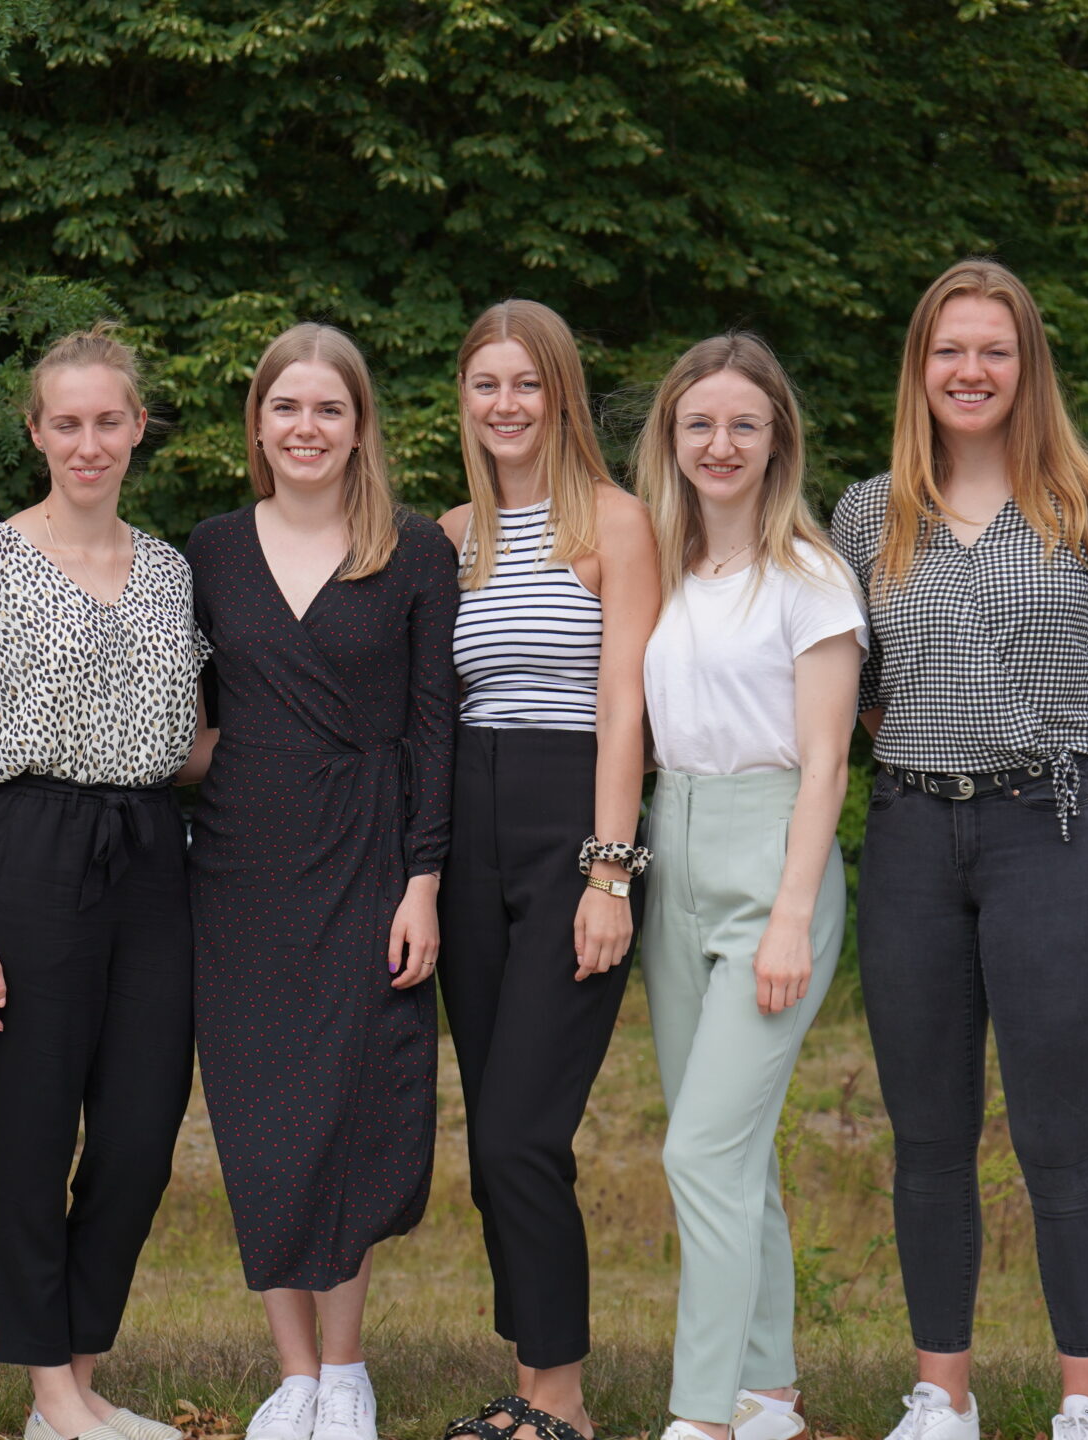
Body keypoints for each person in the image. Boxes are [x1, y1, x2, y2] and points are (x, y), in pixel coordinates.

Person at [830, 259, 1088, 1440]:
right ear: (918, 370)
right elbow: (857, 691)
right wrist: (943, 774)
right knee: (927, 1135)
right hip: (914, 838)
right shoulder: (868, 513)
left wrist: (1066, 795)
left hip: (1057, 835)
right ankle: (941, 1395)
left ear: (1025, 366)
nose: (968, 371)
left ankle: (1085, 1403)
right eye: (947, 351)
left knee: (1057, 1139)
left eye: (992, 351)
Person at [0, 323, 210, 1440]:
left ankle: (81, 1378)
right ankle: (47, 1382)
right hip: (28, 850)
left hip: (151, 853)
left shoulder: (172, 570)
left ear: (137, 427)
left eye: (108, 422)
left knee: (141, 1135)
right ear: (35, 431)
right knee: (33, 1133)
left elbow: (188, 743)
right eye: (66, 423)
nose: (87, 443)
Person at [186, 322, 458, 1440]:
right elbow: (183, 720)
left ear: (359, 429)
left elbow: (436, 728)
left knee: (349, 1107)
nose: (306, 428)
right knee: (259, 1118)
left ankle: (346, 1372)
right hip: (240, 865)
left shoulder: (411, 548)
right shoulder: (204, 552)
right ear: (257, 423)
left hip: (368, 854)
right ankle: (291, 1373)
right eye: (286, 408)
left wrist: (423, 880)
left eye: (328, 410)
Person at [431, 300, 658, 1440]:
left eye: (526, 384)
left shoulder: (617, 524)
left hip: (571, 823)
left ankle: (560, 1402)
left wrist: (608, 872)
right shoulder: (449, 531)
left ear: (561, 394)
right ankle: (526, 1386)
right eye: (485, 385)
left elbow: (625, 705)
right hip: (466, 832)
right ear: (464, 400)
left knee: (525, 1132)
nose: (505, 405)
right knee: (489, 1136)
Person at [630, 334, 863, 1440]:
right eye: (699, 425)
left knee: (699, 1153)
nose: (719, 445)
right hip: (667, 852)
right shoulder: (663, 571)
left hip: (774, 861)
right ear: (670, 440)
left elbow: (825, 764)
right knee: (732, 1148)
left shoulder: (808, 578)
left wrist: (787, 918)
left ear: (778, 443)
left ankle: (703, 1417)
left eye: (743, 426)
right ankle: (769, 1393)